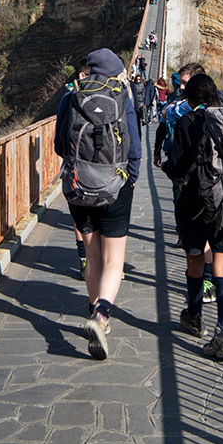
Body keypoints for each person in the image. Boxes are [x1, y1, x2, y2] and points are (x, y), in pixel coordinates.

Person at [54, 47, 141, 359]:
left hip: (78, 187)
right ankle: (102, 316)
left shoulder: (70, 97)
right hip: (116, 186)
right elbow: (134, 144)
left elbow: (59, 145)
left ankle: (94, 310)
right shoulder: (122, 98)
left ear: (89, 71)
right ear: (116, 72)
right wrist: (131, 177)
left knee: (92, 255)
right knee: (114, 259)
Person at [160, 70, 223, 360]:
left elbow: (179, 168)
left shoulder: (187, 121)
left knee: (195, 261)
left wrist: (166, 167)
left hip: (196, 205)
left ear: (187, 97)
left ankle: (194, 317)